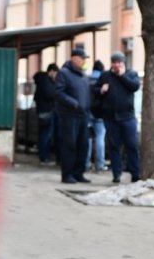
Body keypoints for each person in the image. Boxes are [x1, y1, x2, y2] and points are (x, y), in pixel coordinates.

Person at [99, 51, 141, 184]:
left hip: (127, 117)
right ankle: (116, 173)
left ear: (124, 63)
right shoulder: (105, 75)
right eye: (115, 62)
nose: (117, 65)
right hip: (111, 117)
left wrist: (122, 76)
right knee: (114, 146)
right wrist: (101, 90)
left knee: (132, 145)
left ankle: (135, 173)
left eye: (119, 62)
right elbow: (94, 90)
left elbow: (135, 86)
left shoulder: (131, 74)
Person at [55, 48, 92, 184]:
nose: (84, 61)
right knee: (69, 145)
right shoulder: (64, 73)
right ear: (74, 58)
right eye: (82, 58)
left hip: (83, 116)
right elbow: (59, 93)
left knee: (83, 145)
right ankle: (67, 174)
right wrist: (74, 103)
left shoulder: (83, 75)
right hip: (69, 115)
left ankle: (78, 173)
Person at [33, 63, 59, 165]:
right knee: (46, 134)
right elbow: (50, 94)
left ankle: (43, 155)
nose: (56, 76)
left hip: (42, 110)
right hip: (47, 110)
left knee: (44, 134)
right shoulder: (45, 81)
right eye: (56, 73)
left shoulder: (41, 80)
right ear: (52, 71)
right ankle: (44, 157)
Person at [86, 60, 107, 172]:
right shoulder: (103, 80)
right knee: (100, 138)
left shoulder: (86, 79)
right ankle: (100, 164)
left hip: (88, 113)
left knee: (88, 139)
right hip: (99, 114)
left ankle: (86, 163)